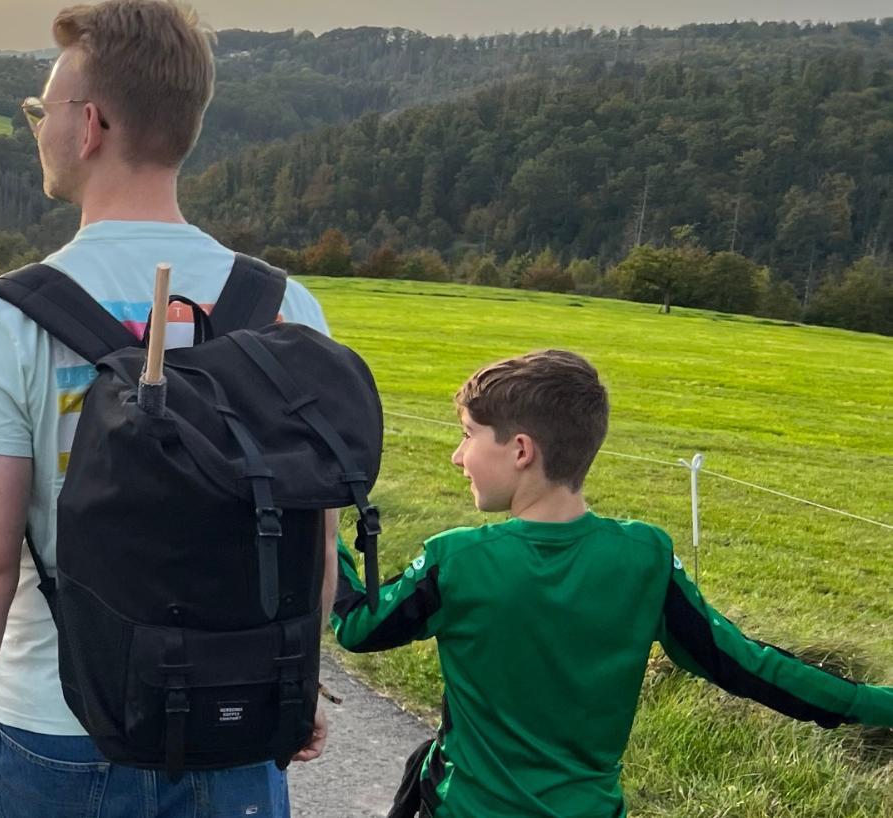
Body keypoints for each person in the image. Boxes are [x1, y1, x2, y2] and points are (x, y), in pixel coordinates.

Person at [0, 0, 333, 818]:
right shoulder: (288, 309)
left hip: (56, 729)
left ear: (91, 124)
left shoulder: (8, 319)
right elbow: (308, 545)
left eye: (43, 109)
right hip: (236, 726)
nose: (38, 126)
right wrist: (289, 683)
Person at [334, 349, 893, 817]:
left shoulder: (456, 559)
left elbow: (359, 628)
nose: (458, 455)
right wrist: (876, 704)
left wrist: (326, 536)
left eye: (468, 435)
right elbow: (745, 665)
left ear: (521, 450)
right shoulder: (644, 556)